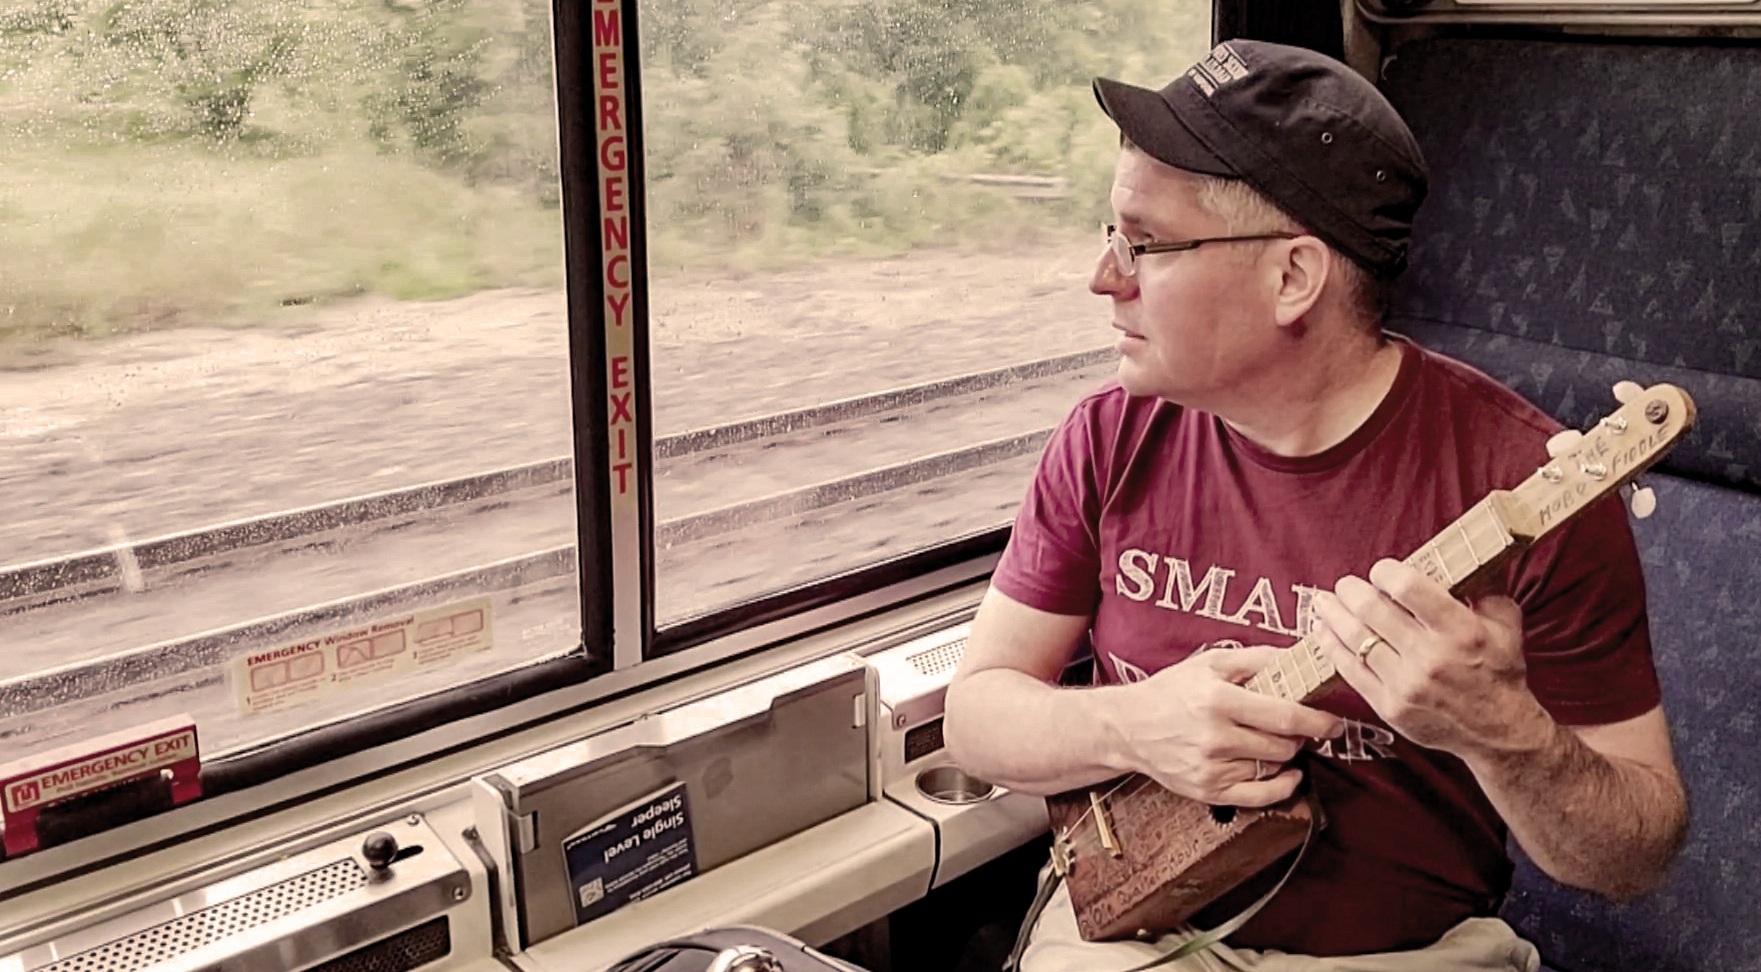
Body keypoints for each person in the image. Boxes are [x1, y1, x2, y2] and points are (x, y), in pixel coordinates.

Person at [942, 39, 1688, 972]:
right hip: (1127, 921)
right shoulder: (1108, 437)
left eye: (1145, 244)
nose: (1105, 277)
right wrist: (1135, 726)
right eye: (1107, 234)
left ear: (1292, 277)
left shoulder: (1529, 484)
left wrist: (1507, 737)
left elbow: (1634, 856)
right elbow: (974, 717)